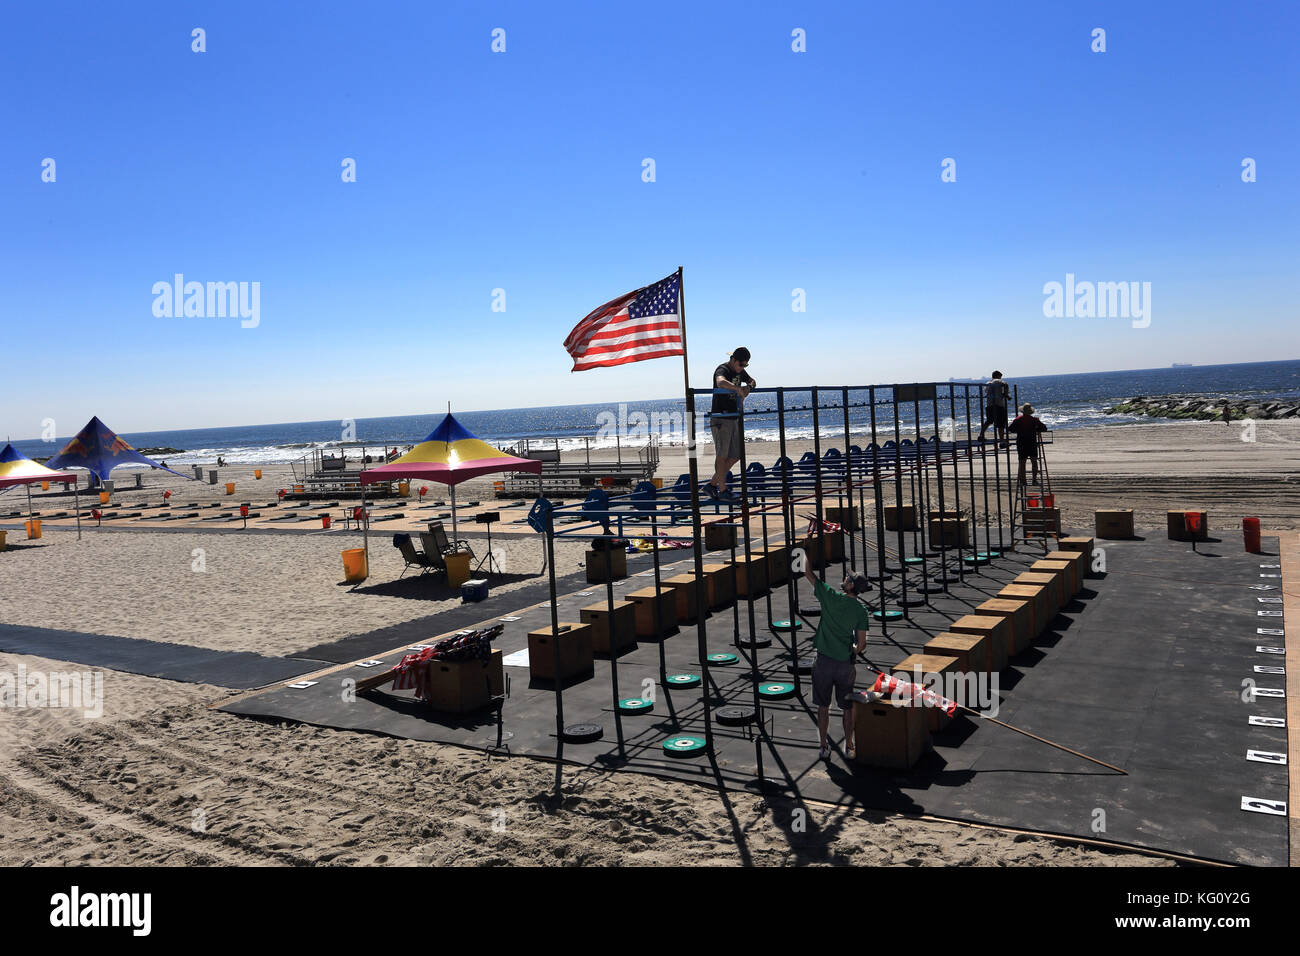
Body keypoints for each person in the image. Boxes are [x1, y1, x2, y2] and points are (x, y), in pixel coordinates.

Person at [803, 561, 871, 760]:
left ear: (850, 586)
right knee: (847, 707)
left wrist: (805, 553)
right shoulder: (860, 611)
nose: (845, 578)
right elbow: (861, 644)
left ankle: (824, 746)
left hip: (824, 662)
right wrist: (851, 651)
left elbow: (809, 573)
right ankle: (849, 745)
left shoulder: (830, 597)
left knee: (823, 707)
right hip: (844, 664)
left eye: (848, 578)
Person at [707, 347, 756, 502]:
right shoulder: (723, 369)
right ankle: (722, 490)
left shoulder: (740, 371)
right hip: (721, 417)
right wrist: (737, 389)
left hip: (733, 416)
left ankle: (712, 485)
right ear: (733, 360)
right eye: (740, 364)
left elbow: (752, 381)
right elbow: (720, 382)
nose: (742, 368)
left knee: (735, 455)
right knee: (722, 455)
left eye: (745, 366)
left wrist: (748, 388)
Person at [1008, 403, 1048, 487]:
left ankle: (1023, 481)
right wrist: (1036, 429)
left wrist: (1019, 430)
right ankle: (1034, 480)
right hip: (1031, 442)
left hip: (1021, 442)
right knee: (1034, 461)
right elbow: (1044, 428)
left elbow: (1010, 429)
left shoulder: (1018, 419)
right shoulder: (1034, 420)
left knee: (1022, 463)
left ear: (1022, 412)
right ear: (1030, 412)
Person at [977, 371, 1010, 442]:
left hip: (989, 405)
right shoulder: (998, 381)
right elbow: (1005, 384)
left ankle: (981, 435)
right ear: (998, 376)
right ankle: (1002, 441)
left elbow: (986, 392)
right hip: (998, 405)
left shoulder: (988, 383)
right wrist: (1006, 394)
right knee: (1001, 424)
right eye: (1000, 377)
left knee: (989, 421)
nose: (1001, 378)